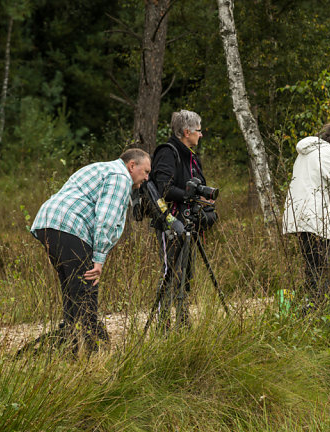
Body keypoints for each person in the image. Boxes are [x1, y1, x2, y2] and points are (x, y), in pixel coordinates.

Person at [30, 149, 151, 353]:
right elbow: (106, 219)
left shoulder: (101, 168)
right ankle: (88, 353)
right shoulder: (120, 177)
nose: (147, 178)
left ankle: (70, 346)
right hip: (70, 227)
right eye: (145, 171)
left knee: (73, 292)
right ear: (132, 165)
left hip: (48, 224)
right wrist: (98, 259)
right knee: (86, 290)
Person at [282, 119, 330, 307]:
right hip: (316, 219)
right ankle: (315, 308)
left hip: (301, 216)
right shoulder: (327, 153)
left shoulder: (307, 153)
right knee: (319, 267)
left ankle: (310, 304)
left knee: (311, 265)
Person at [149, 110, 213, 328]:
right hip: (171, 223)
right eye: (198, 130)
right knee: (171, 273)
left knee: (186, 275)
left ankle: (183, 321)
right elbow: (163, 188)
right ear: (187, 132)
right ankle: (163, 324)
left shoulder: (192, 156)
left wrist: (203, 200)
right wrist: (189, 195)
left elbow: (198, 186)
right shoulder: (168, 152)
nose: (201, 135)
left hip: (189, 223)